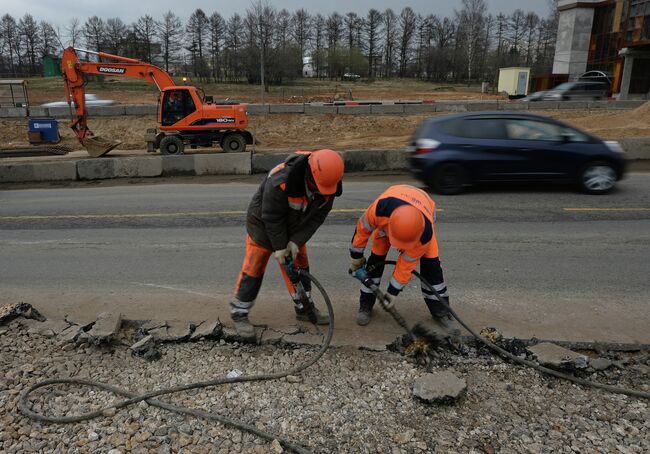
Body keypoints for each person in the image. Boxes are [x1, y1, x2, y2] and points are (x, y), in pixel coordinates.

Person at [231, 149, 345, 339]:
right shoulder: (280, 181)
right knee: (254, 266)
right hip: (263, 225)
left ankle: (304, 308)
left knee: (300, 265)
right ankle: (239, 313)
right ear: (310, 174)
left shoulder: (329, 184)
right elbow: (272, 218)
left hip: (294, 229)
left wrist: (296, 242)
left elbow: (316, 218)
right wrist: (280, 248)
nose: (321, 192)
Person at [349, 184, 450, 326]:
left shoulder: (424, 234)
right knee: (375, 262)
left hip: (421, 213)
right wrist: (356, 258)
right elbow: (362, 231)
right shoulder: (380, 209)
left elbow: (406, 264)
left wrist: (392, 293)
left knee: (432, 268)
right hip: (390, 218)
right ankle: (365, 305)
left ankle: (441, 311)